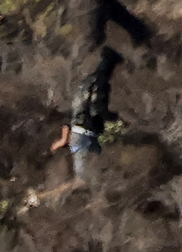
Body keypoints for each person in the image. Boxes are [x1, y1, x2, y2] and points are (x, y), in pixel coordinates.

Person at [28, 46, 126, 208]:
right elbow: (97, 109)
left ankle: (97, 204)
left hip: (80, 133)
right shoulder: (101, 82)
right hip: (85, 135)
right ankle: (41, 197)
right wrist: (116, 118)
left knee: (93, 176)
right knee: (84, 180)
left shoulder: (84, 83)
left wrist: (64, 137)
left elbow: (71, 111)